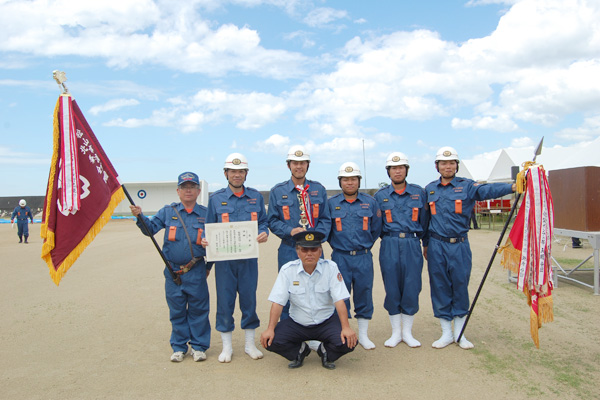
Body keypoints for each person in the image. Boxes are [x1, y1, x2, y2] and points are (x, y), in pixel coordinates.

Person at [425, 146, 516, 350]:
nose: (447, 166)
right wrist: (425, 244)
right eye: (443, 163)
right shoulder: (429, 189)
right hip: (436, 245)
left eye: (451, 163)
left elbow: (486, 191)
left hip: (459, 245)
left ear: (456, 165)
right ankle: (446, 333)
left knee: (460, 285)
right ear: (437, 166)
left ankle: (459, 332)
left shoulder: (467, 186)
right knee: (439, 286)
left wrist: (512, 187)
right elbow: (425, 220)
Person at [130, 172, 210, 363]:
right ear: (178, 191)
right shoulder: (168, 211)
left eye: (192, 186)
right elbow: (150, 230)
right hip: (173, 272)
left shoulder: (207, 214)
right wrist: (140, 216)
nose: (188, 190)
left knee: (199, 310)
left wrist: (210, 266)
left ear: (198, 191)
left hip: (196, 270)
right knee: (177, 310)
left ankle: (198, 346)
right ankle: (179, 346)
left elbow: (216, 243)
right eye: (184, 187)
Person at [202, 153, 269, 363]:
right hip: (224, 262)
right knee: (225, 302)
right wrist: (205, 240)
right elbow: (208, 228)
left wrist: (264, 232)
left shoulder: (256, 197)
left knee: (249, 300)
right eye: (233, 171)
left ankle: (249, 345)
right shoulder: (216, 199)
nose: (237, 175)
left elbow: (263, 223)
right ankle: (227, 347)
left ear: (246, 174)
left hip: (249, 260)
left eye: (241, 171)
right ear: (226, 174)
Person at [260, 231, 357, 369]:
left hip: (326, 321)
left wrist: (346, 327)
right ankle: (300, 351)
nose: (309, 254)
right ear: (297, 252)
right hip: (298, 323)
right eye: (304, 250)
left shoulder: (331, 268)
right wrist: (270, 328)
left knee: (348, 341)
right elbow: (278, 302)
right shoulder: (288, 270)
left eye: (314, 249)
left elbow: (340, 300)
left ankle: (325, 352)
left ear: (320, 251)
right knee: (271, 340)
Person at [268, 145, 331, 320]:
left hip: (314, 249)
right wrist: (289, 231)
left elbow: (326, 219)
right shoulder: (277, 191)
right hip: (290, 248)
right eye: (295, 163)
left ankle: (316, 331)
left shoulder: (318, 189)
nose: (299, 166)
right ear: (289, 165)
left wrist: (317, 238)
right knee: (288, 291)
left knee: (318, 289)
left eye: (302, 163)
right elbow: (272, 221)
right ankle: (290, 334)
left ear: (307, 165)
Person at [374, 152, 429, 348]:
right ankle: (396, 332)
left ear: (406, 170)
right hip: (389, 243)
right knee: (392, 286)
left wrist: (425, 244)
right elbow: (376, 225)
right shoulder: (380, 196)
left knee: (412, 286)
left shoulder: (419, 193)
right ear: (388, 171)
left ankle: (408, 332)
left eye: (401, 167)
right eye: (393, 168)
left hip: (412, 244)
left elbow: (425, 221)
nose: (397, 171)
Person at [327, 162, 382, 350]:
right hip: (340, 257)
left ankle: (364, 335)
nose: (349, 183)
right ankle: (342, 331)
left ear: (359, 181)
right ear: (340, 182)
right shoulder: (331, 203)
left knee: (364, 293)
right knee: (340, 296)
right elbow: (328, 231)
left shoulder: (370, 202)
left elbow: (376, 229)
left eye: (353, 179)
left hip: (363, 256)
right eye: (345, 179)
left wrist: (363, 247)